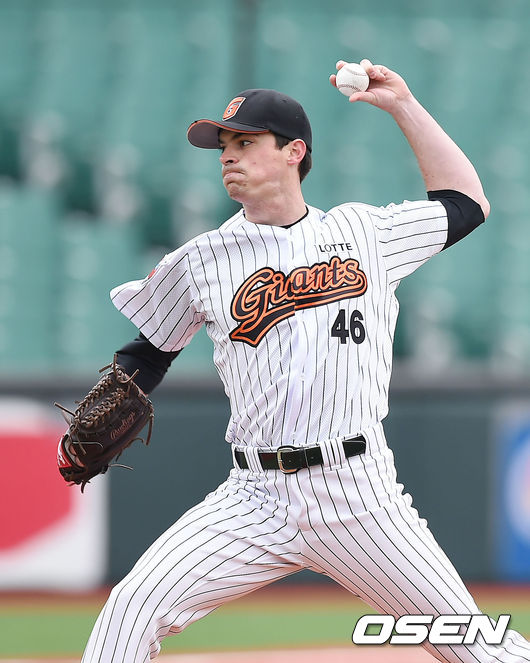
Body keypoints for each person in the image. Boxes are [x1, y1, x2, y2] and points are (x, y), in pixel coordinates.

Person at [80, 60, 530, 662]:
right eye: (223, 145)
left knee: (474, 647)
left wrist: (403, 105)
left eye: (245, 142)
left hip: (358, 494)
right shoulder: (202, 259)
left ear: (294, 152)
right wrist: (110, 398)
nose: (227, 156)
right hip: (253, 495)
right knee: (130, 610)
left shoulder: (366, 233)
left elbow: (466, 203)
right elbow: (148, 352)